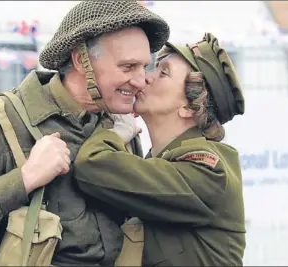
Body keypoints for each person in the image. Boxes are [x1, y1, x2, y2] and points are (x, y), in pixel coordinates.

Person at [0, 1, 170, 266]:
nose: (141, 80)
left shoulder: (119, 129)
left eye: (144, 67)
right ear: (80, 60)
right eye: (128, 67)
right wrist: (25, 179)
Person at [74, 33, 247, 266]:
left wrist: (114, 134)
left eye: (163, 73)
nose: (145, 78)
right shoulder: (164, 159)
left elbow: (91, 165)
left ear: (189, 106)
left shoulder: (207, 172)